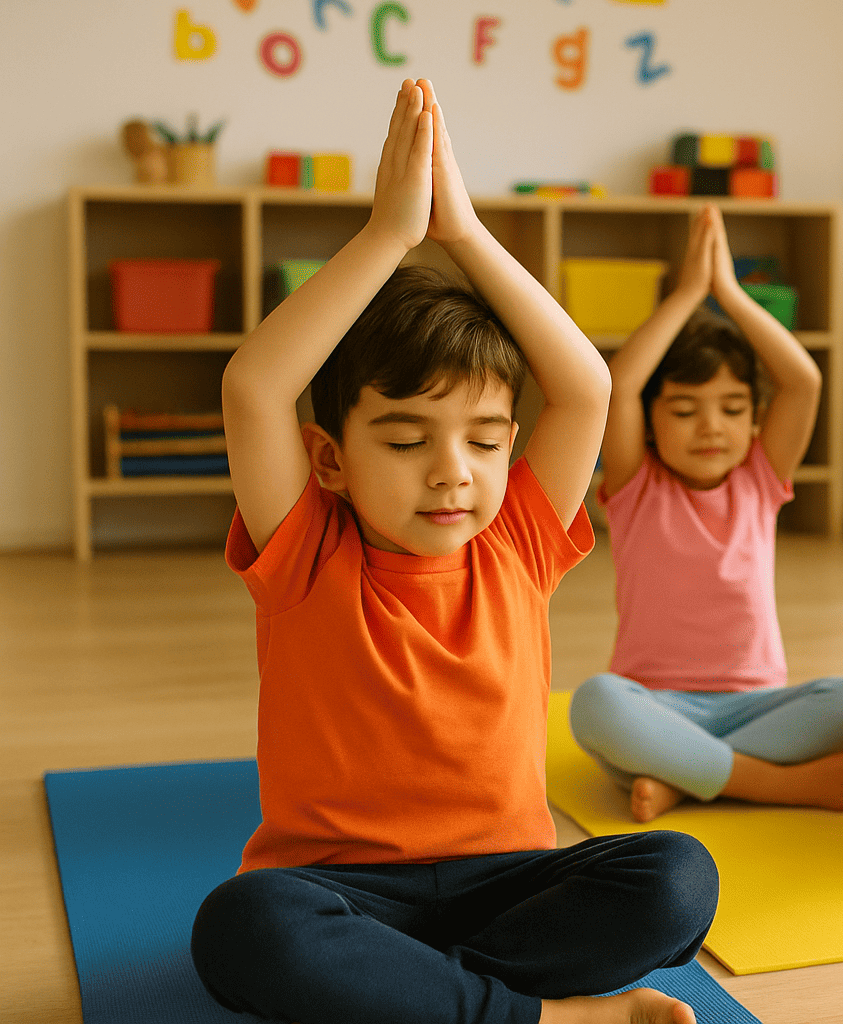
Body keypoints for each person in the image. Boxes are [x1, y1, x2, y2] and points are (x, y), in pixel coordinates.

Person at [189, 80, 717, 1024]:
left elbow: (586, 388)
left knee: (677, 877)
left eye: (484, 440)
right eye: (404, 441)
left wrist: (464, 234)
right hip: (342, 892)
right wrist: (388, 235)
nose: (453, 474)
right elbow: (254, 389)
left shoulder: (517, 533)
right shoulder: (306, 547)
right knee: (246, 925)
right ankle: (532, 1015)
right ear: (331, 460)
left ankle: (420, 1000)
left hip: (506, 884)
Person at [569, 204, 843, 823]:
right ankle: (765, 782)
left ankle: (685, 778)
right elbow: (621, 383)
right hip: (655, 706)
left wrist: (731, 296)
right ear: (652, 423)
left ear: (755, 420)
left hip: (754, 705)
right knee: (593, 704)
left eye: (732, 409)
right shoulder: (635, 485)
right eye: (684, 411)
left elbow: (803, 383)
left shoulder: (760, 480)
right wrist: (688, 294)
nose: (711, 427)